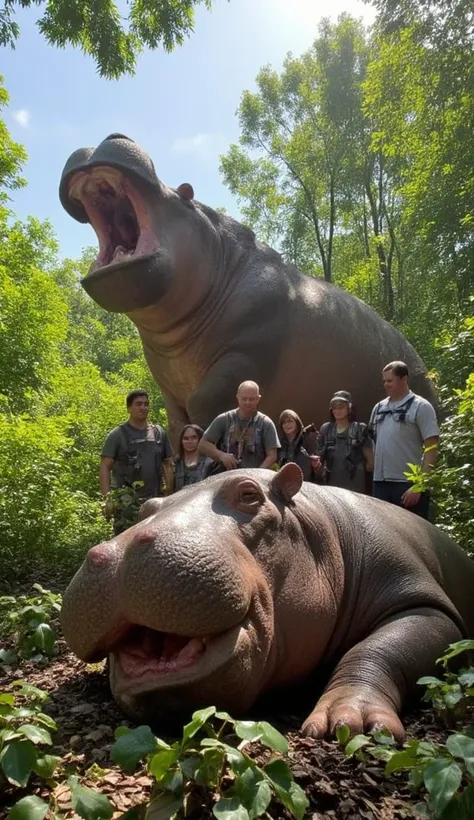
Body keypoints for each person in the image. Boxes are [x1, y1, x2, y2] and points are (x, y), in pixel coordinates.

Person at [369, 361, 439, 519]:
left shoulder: (421, 407)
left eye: (390, 380)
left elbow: (432, 448)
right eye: (384, 381)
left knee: (412, 538)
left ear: (404, 379)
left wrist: (419, 485)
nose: (386, 385)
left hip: (407, 485)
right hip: (380, 483)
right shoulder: (378, 408)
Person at [100, 389, 173, 534]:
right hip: (127, 503)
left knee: (155, 540)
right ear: (129, 408)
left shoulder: (159, 433)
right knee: (126, 543)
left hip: (155, 501)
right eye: (138, 404)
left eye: (146, 404)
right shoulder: (117, 435)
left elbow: (168, 463)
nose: (143, 407)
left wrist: (169, 490)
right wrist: (107, 498)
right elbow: (105, 467)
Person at [198, 381, 280, 470]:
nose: (247, 402)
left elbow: (272, 456)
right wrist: (221, 455)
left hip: (254, 477)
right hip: (225, 476)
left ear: (258, 399)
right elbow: (202, 444)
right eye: (244, 398)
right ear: (238, 397)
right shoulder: (225, 419)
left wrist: (257, 473)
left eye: (251, 399)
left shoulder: (265, 423)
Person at [314, 391, 373, 493]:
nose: (337, 410)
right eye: (334, 407)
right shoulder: (326, 429)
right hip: (332, 486)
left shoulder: (360, 429)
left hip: (356, 487)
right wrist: (317, 465)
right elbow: (320, 460)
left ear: (349, 408)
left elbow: (371, 463)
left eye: (341, 406)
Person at [277, 409, 320, 482]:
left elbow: (318, 465)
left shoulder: (308, 439)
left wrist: (316, 465)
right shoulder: (279, 444)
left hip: (305, 484)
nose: (287, 424)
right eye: (283, 422)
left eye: (290, 421)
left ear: (297, 422)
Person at [173, 425, 213, 491]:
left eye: (194, 438)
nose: (190, 441)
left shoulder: (209, 463)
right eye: (186, 438)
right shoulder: (176, 464)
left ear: (200, 439)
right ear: (181, 441)